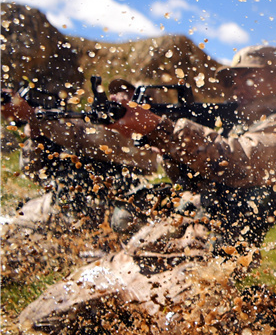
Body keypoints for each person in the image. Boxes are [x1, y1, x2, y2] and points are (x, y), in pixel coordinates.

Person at [106, 45, 276, 256]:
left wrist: (161, 128)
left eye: (247, 77)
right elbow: (192, 179)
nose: (237, 88)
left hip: (230, 225)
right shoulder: (239, 122)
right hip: (207, 209)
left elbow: (239, 160)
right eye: (233, 82)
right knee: (126, 213)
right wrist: (166, 146)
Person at [1, 80, 160, 236]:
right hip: (59, 209)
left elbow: (87, 138)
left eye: (125, 94)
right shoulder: (95, 128)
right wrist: (37, 137)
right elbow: (34, 173)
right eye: (114, 93)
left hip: (106, 216)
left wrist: (33, 116)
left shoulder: (144, 139)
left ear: (143, 105)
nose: (114, 98)